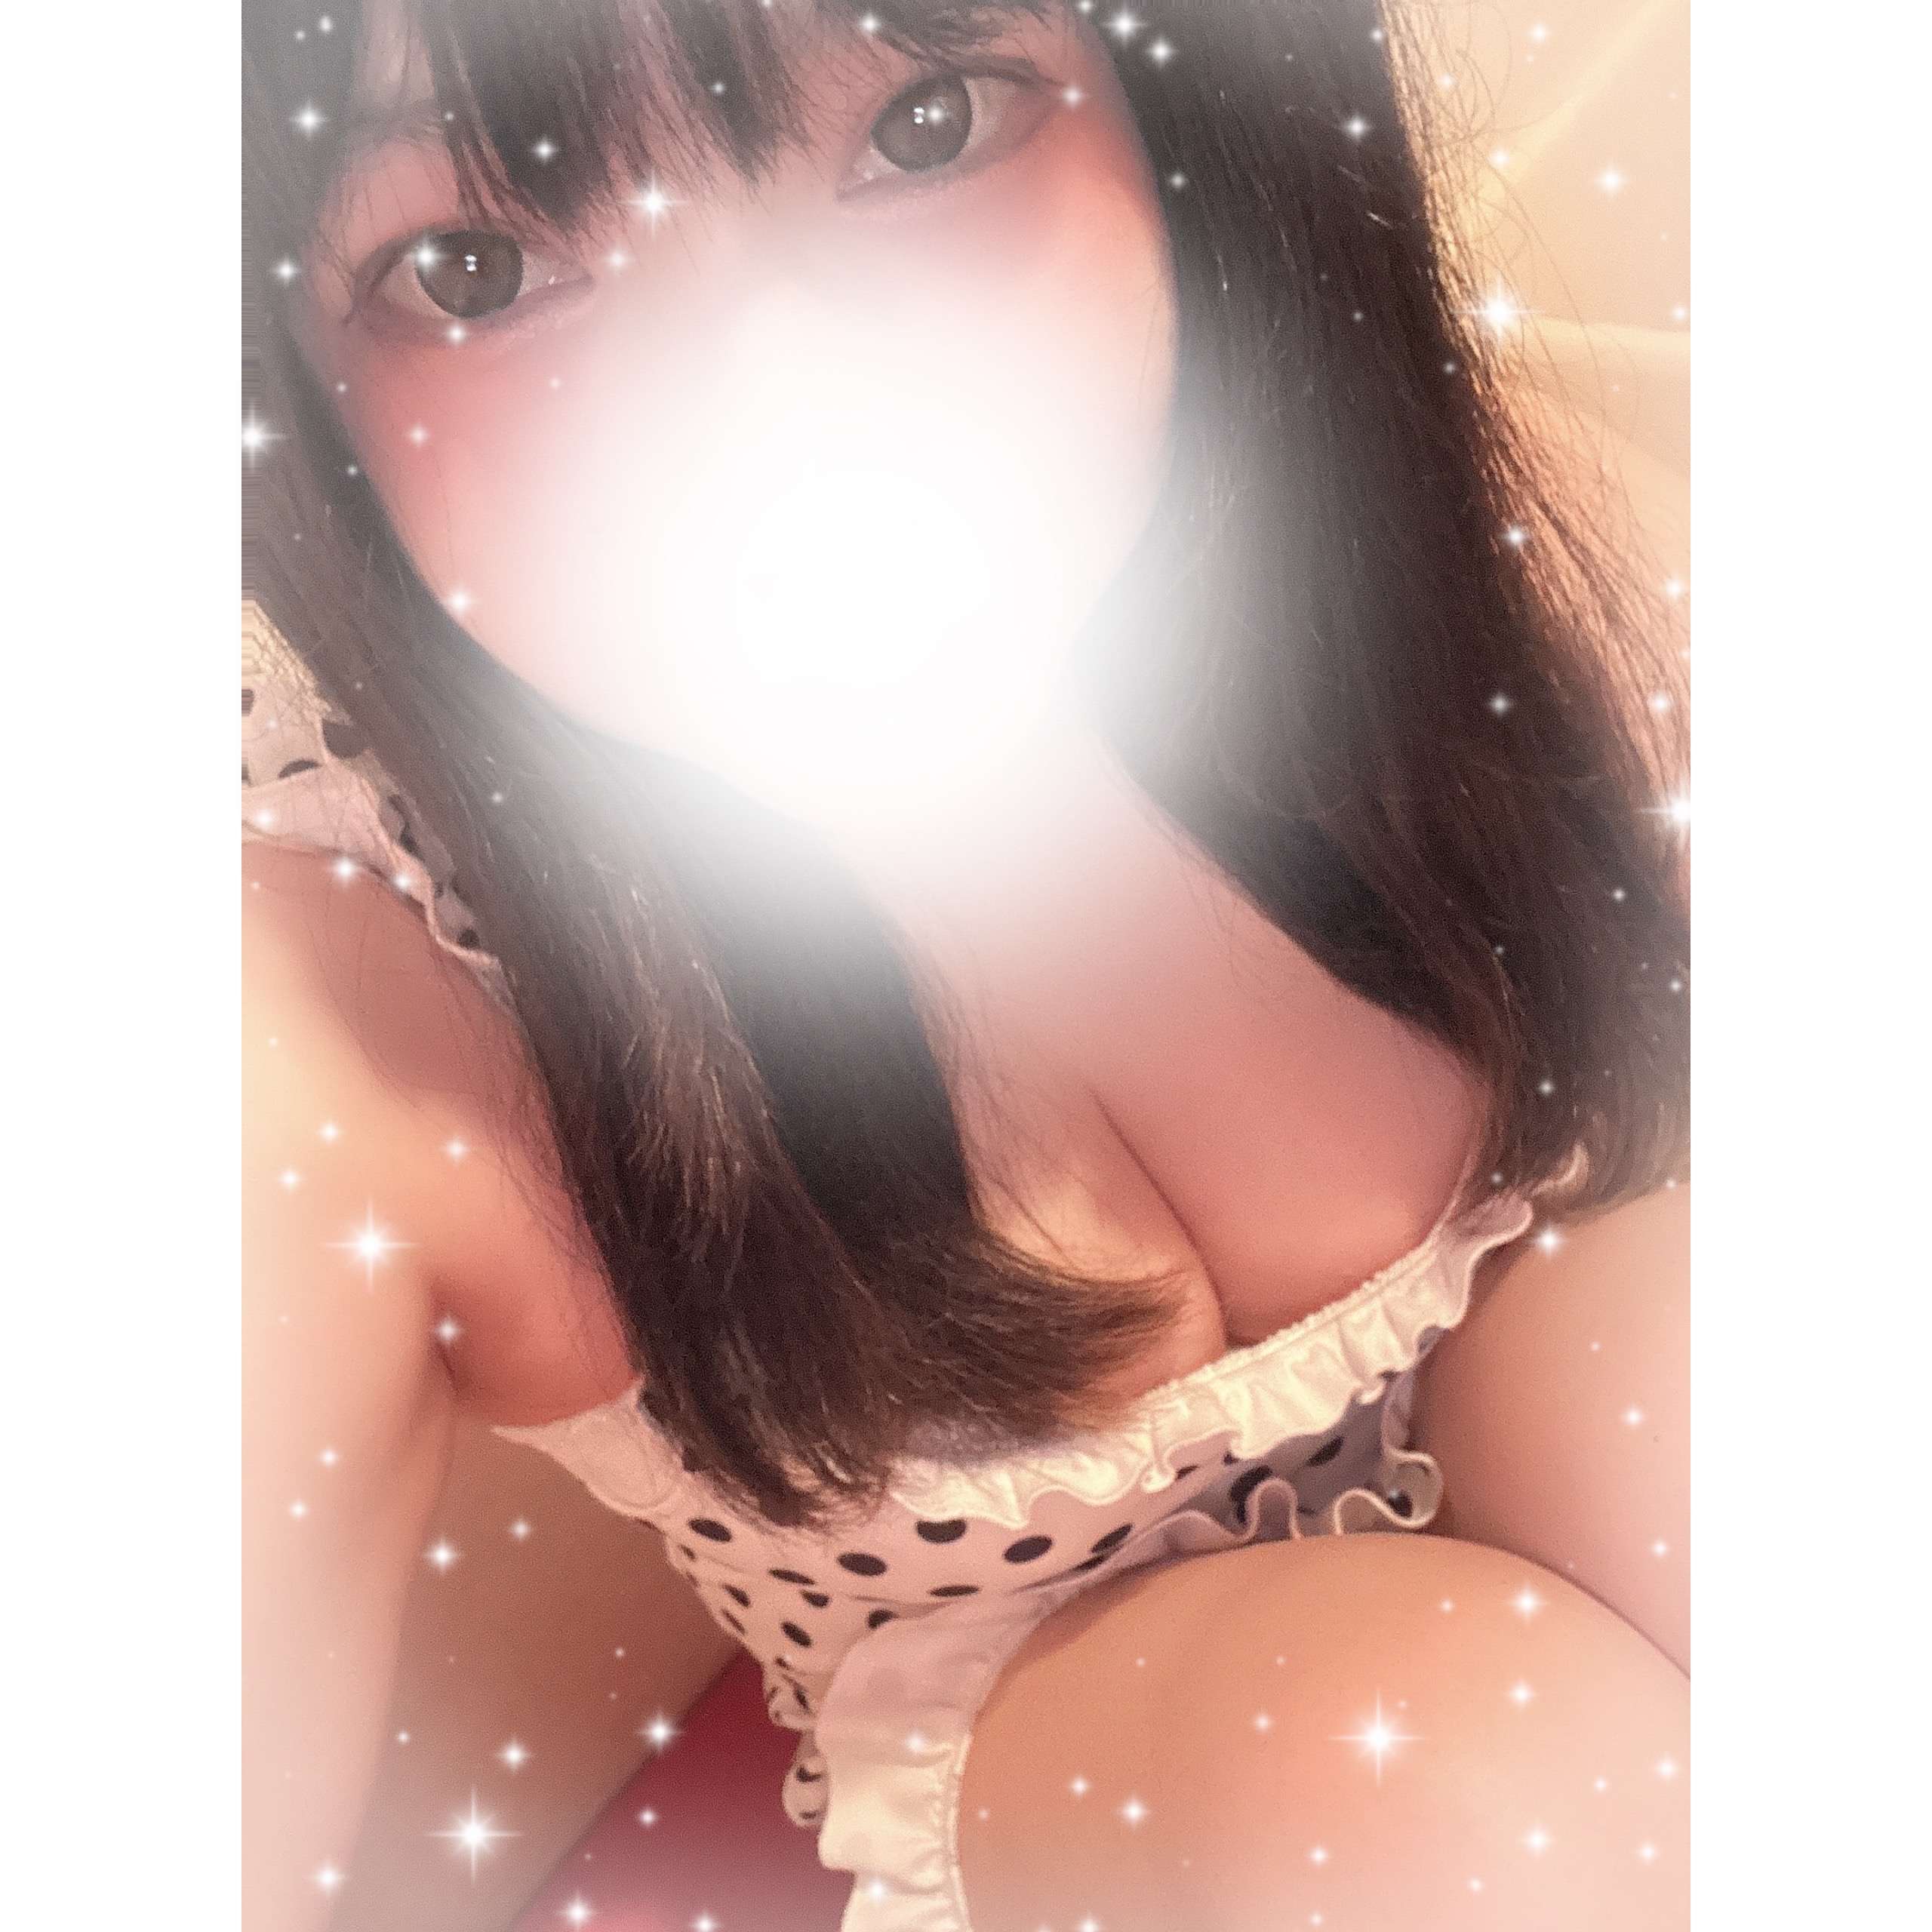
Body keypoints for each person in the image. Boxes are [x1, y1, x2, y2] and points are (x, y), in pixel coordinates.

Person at [241, 3, 1691, 1927]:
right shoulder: (337, 988)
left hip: (1594, 1501)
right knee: (1432, 1776)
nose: (772, 397)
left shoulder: (1427, 545)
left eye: (923, 123)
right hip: (1152, 1798)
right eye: (474, 268)